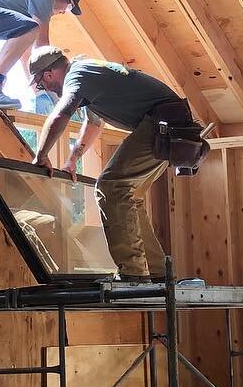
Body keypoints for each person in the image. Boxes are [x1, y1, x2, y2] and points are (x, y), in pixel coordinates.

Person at [27, 47, 192, 279]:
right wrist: (72, 160)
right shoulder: (91, 75)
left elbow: (59, 116)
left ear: (48, 74)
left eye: (42, 84)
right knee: (129, 196)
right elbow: (94, 124)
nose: (46, 89)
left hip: (162, 125)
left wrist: (41, 156)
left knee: (111, 187)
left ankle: (133, 273)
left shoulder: (77, 75)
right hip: (172, 125)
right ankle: (156, 273)